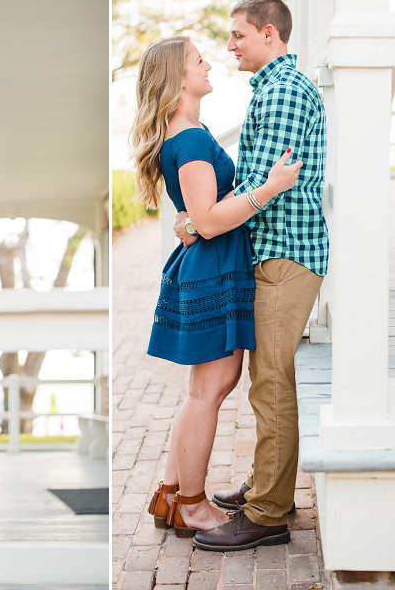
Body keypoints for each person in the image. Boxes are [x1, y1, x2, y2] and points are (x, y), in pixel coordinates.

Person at [175, 0, 329, 552]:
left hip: (286, 254)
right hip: (272, 252)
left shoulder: (285, 90)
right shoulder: (272, 89)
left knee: (270, 384)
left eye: (238, 34)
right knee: (266, 382)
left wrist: (200, 222)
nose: (230, 45)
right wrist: (202, 218)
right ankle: (269, 490)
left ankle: (268, 512)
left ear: (270, 34)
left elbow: (262, 182)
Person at [130, 35, 301, 537]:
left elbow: (194, 218)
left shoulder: (188, 132)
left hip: (210, 262)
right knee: (210, 390)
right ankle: (192, 504)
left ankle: (169, 495)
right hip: (211, 265)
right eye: (197, 60)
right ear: (177, 78)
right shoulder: (190, 139)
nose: (208, 64)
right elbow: (205, 219)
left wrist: (194, 221)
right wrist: (269, 189)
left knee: (204, 390)